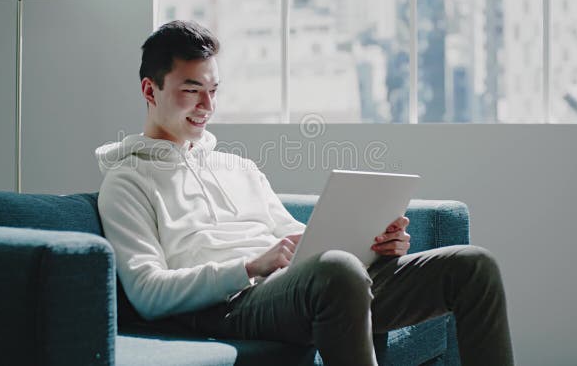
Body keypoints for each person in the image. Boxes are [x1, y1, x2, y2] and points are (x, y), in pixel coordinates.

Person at [95, 20, 514, 365]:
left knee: (471, 266)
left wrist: (375, 245)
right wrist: (249, 266)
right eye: (191, 90)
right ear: (151, 90)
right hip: (232, 305)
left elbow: (299, 239)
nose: (207, 104)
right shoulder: (127, 180)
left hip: (305, 290)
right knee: (336, 271)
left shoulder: (238, 167)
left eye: (214, 90)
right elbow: (148, 293)